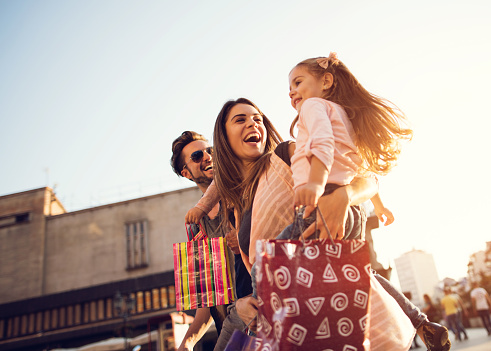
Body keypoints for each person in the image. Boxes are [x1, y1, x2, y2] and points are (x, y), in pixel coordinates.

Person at [198, 96, 449, 350]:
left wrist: (346, 195)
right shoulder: (239, 204)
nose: (253, 124)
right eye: (240, 120)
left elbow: (366, 178)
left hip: (326, 304)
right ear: (224, 137)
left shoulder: (286, 155)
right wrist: (242, 305)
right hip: (285, 318)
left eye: (257, 119)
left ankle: (420, 322)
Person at [170, 131, 252, 351]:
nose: (207, 156)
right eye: (197, 156)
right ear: (186, 172)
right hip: (231, 327)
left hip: (260, 312)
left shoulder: (244, 193)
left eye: (210, 151)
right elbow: (207, 302)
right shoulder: (196, 227)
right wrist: (187, 343)